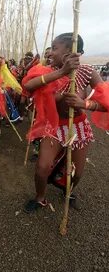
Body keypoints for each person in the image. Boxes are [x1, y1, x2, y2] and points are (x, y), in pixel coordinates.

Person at [22, 32, 109, 213]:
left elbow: (106, 103)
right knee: (41, 168)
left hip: (78, 127)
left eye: (54, 48)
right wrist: (62, 72)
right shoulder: (47, 71)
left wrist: (84, 104)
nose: (50, 53)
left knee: (76, 173)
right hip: (54, 126)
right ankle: (40, 198)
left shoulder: (87, 72)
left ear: (71, 52)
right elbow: (28, 87)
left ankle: (67, 190)